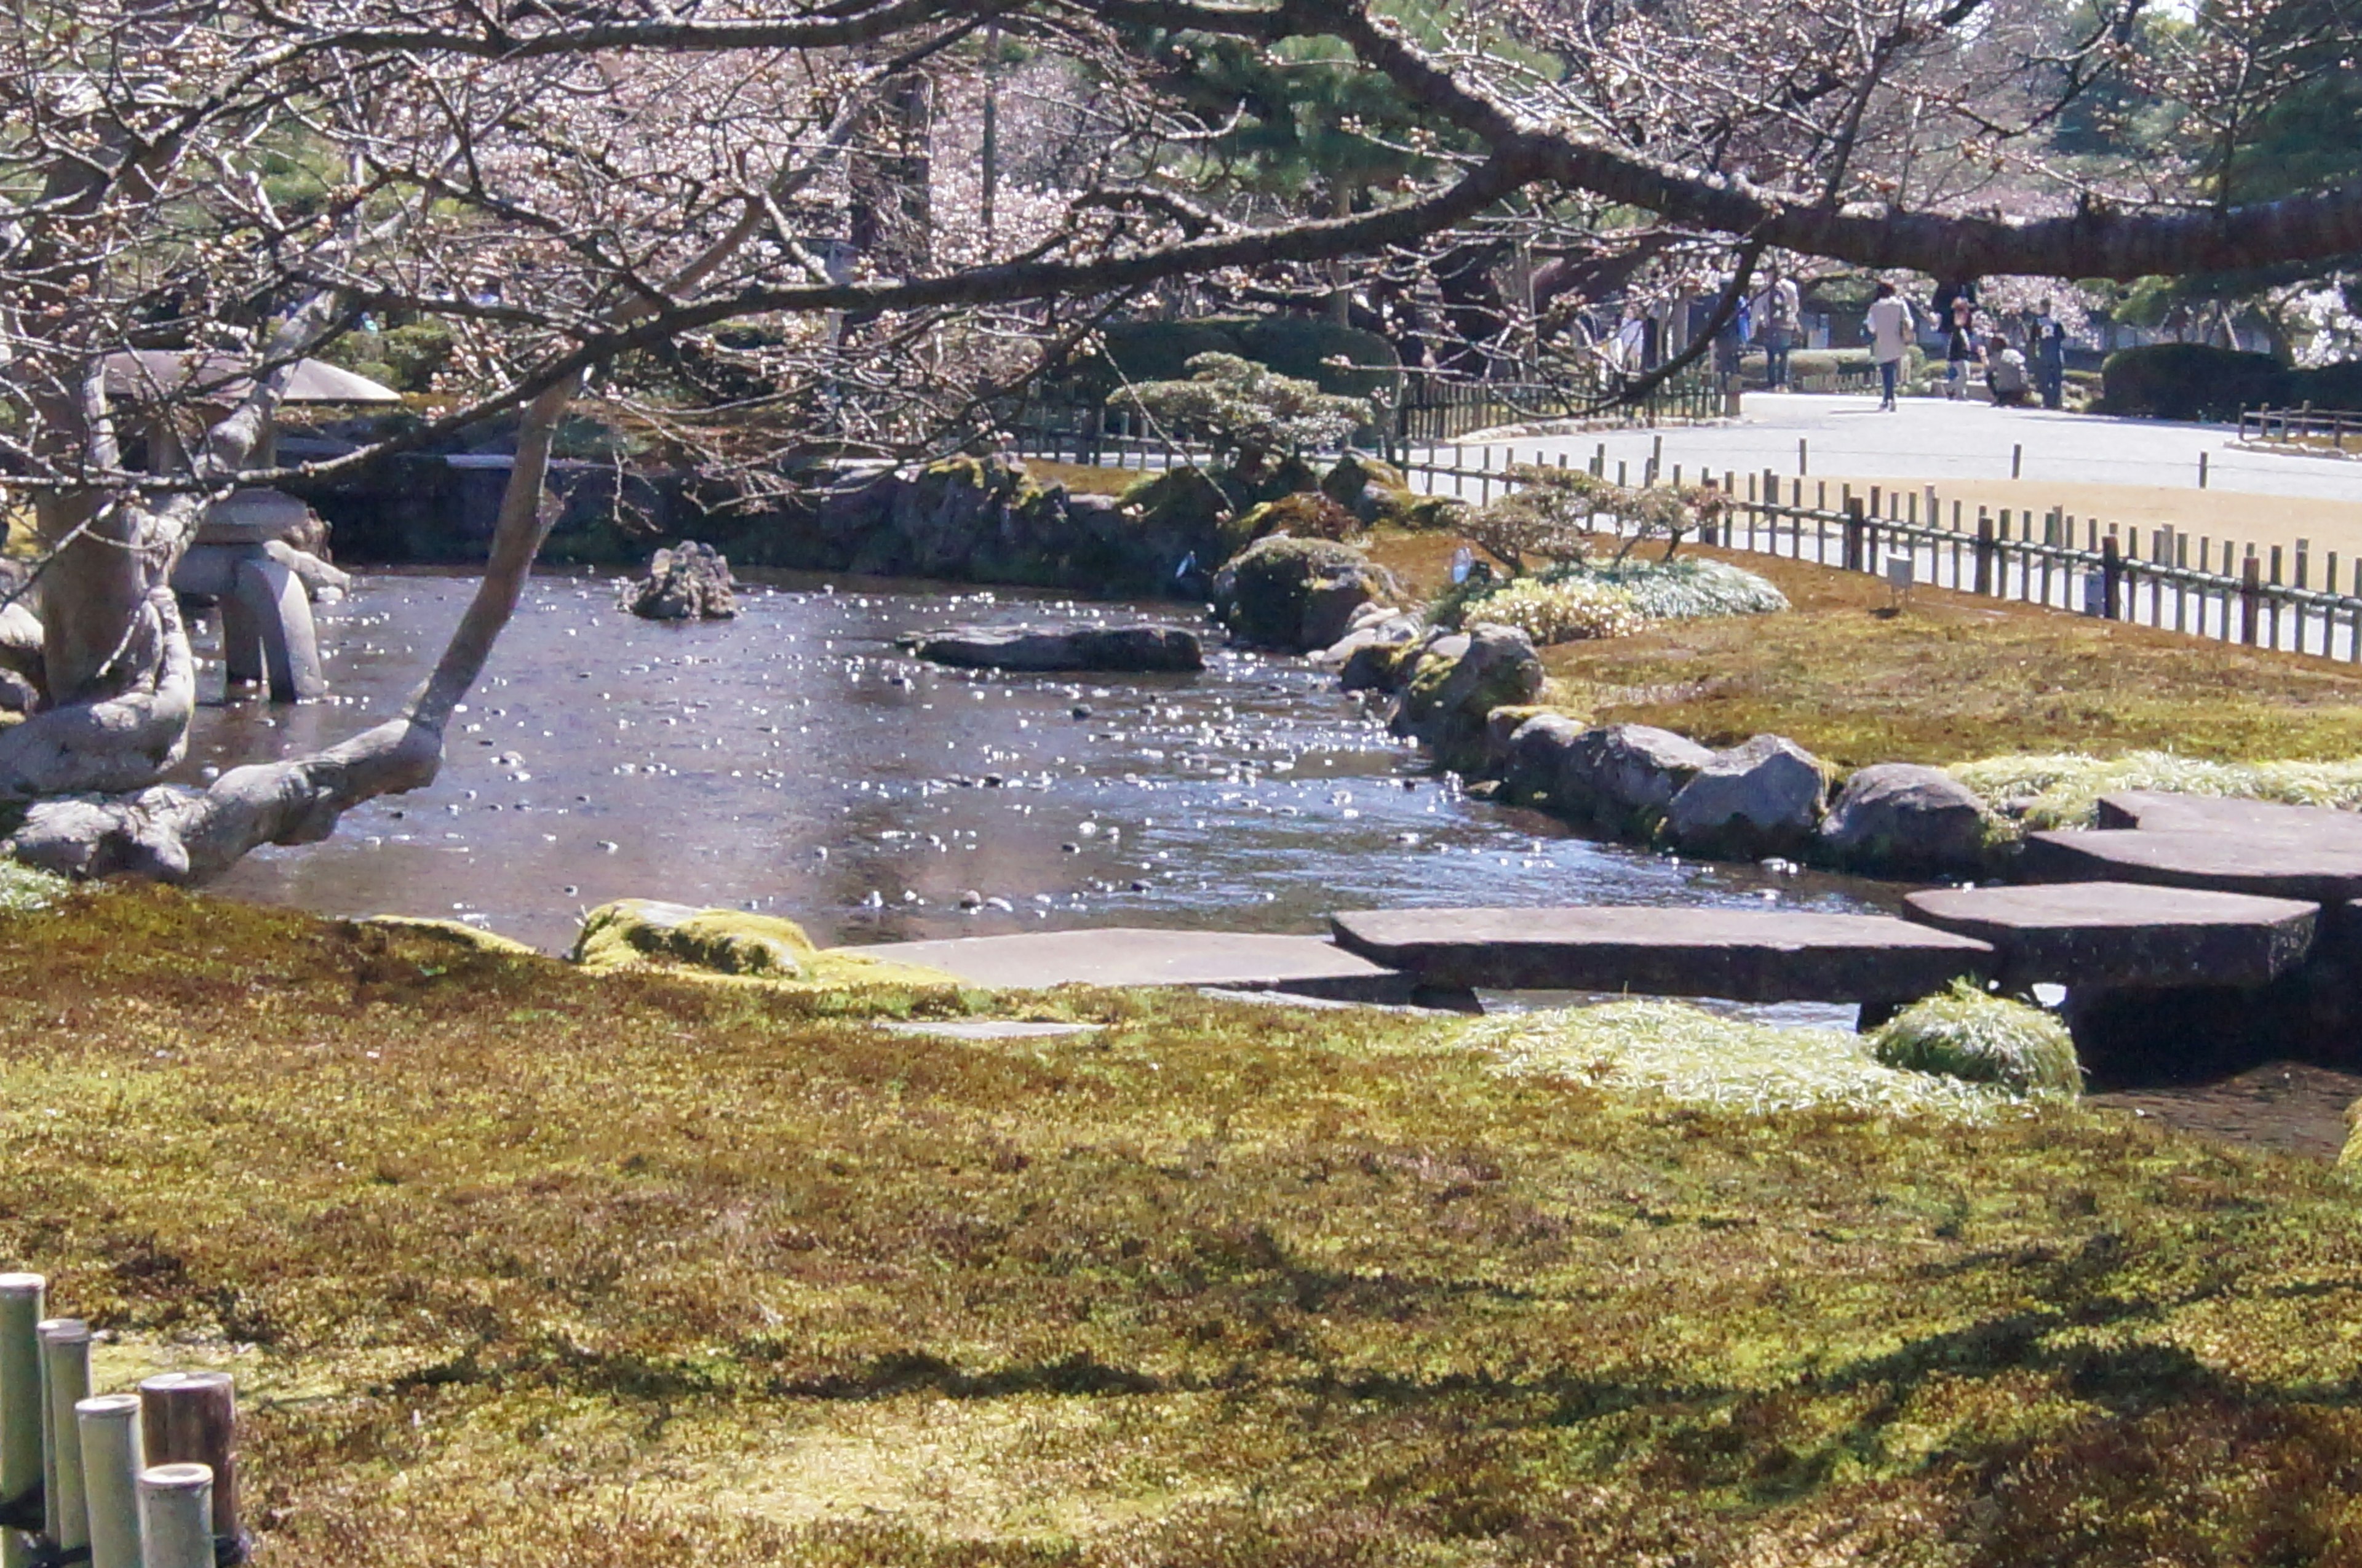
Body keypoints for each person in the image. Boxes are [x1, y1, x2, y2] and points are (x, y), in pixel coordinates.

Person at [1866, 282, 1914, 410]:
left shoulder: (1875, 307)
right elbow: (1909, 322)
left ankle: (1888, 398)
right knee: (1893, 368)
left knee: (1886, 369)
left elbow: (1871, 327)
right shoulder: (1900, 305)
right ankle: (1890, 398)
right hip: (1898, 339)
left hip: (1882, 340)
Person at [1757, 269, 1800, 390]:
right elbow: (1795, 306)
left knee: (1771, 356)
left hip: (1771, 325)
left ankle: (1772, 384)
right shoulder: (1791, 287)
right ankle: (1783, 384)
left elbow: (1760, 307)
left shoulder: (1766, 287)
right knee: (1784, 355)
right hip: (1786, 325)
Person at [2030, 301, 2067, 410]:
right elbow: (2062, 337)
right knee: (2057, 379)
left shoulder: (2037, 322)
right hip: (2055, 353)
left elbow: (2032, 339)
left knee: (2044, 379)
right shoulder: (2056, 322)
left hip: (2043, 353)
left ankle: (2047, 401)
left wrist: (2032, 356)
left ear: (2041, 308)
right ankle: (2056, 402)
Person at [1944, 297, 1980, 400]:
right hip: (1958, 355)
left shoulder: (1960, 330)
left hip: (1958, 355)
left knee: (1961, 375)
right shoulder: (1957, 328)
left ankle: (1954, 391)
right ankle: (1958, 393)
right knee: (1963, 375)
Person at [1986, 335, 2030, 405]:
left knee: (1989, 375)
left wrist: (1983, 356)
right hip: (2022, 389)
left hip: (2005, 391)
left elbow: (1989, 369)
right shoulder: (2015, 353)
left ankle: (1997, 397)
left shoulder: (1997, 356)